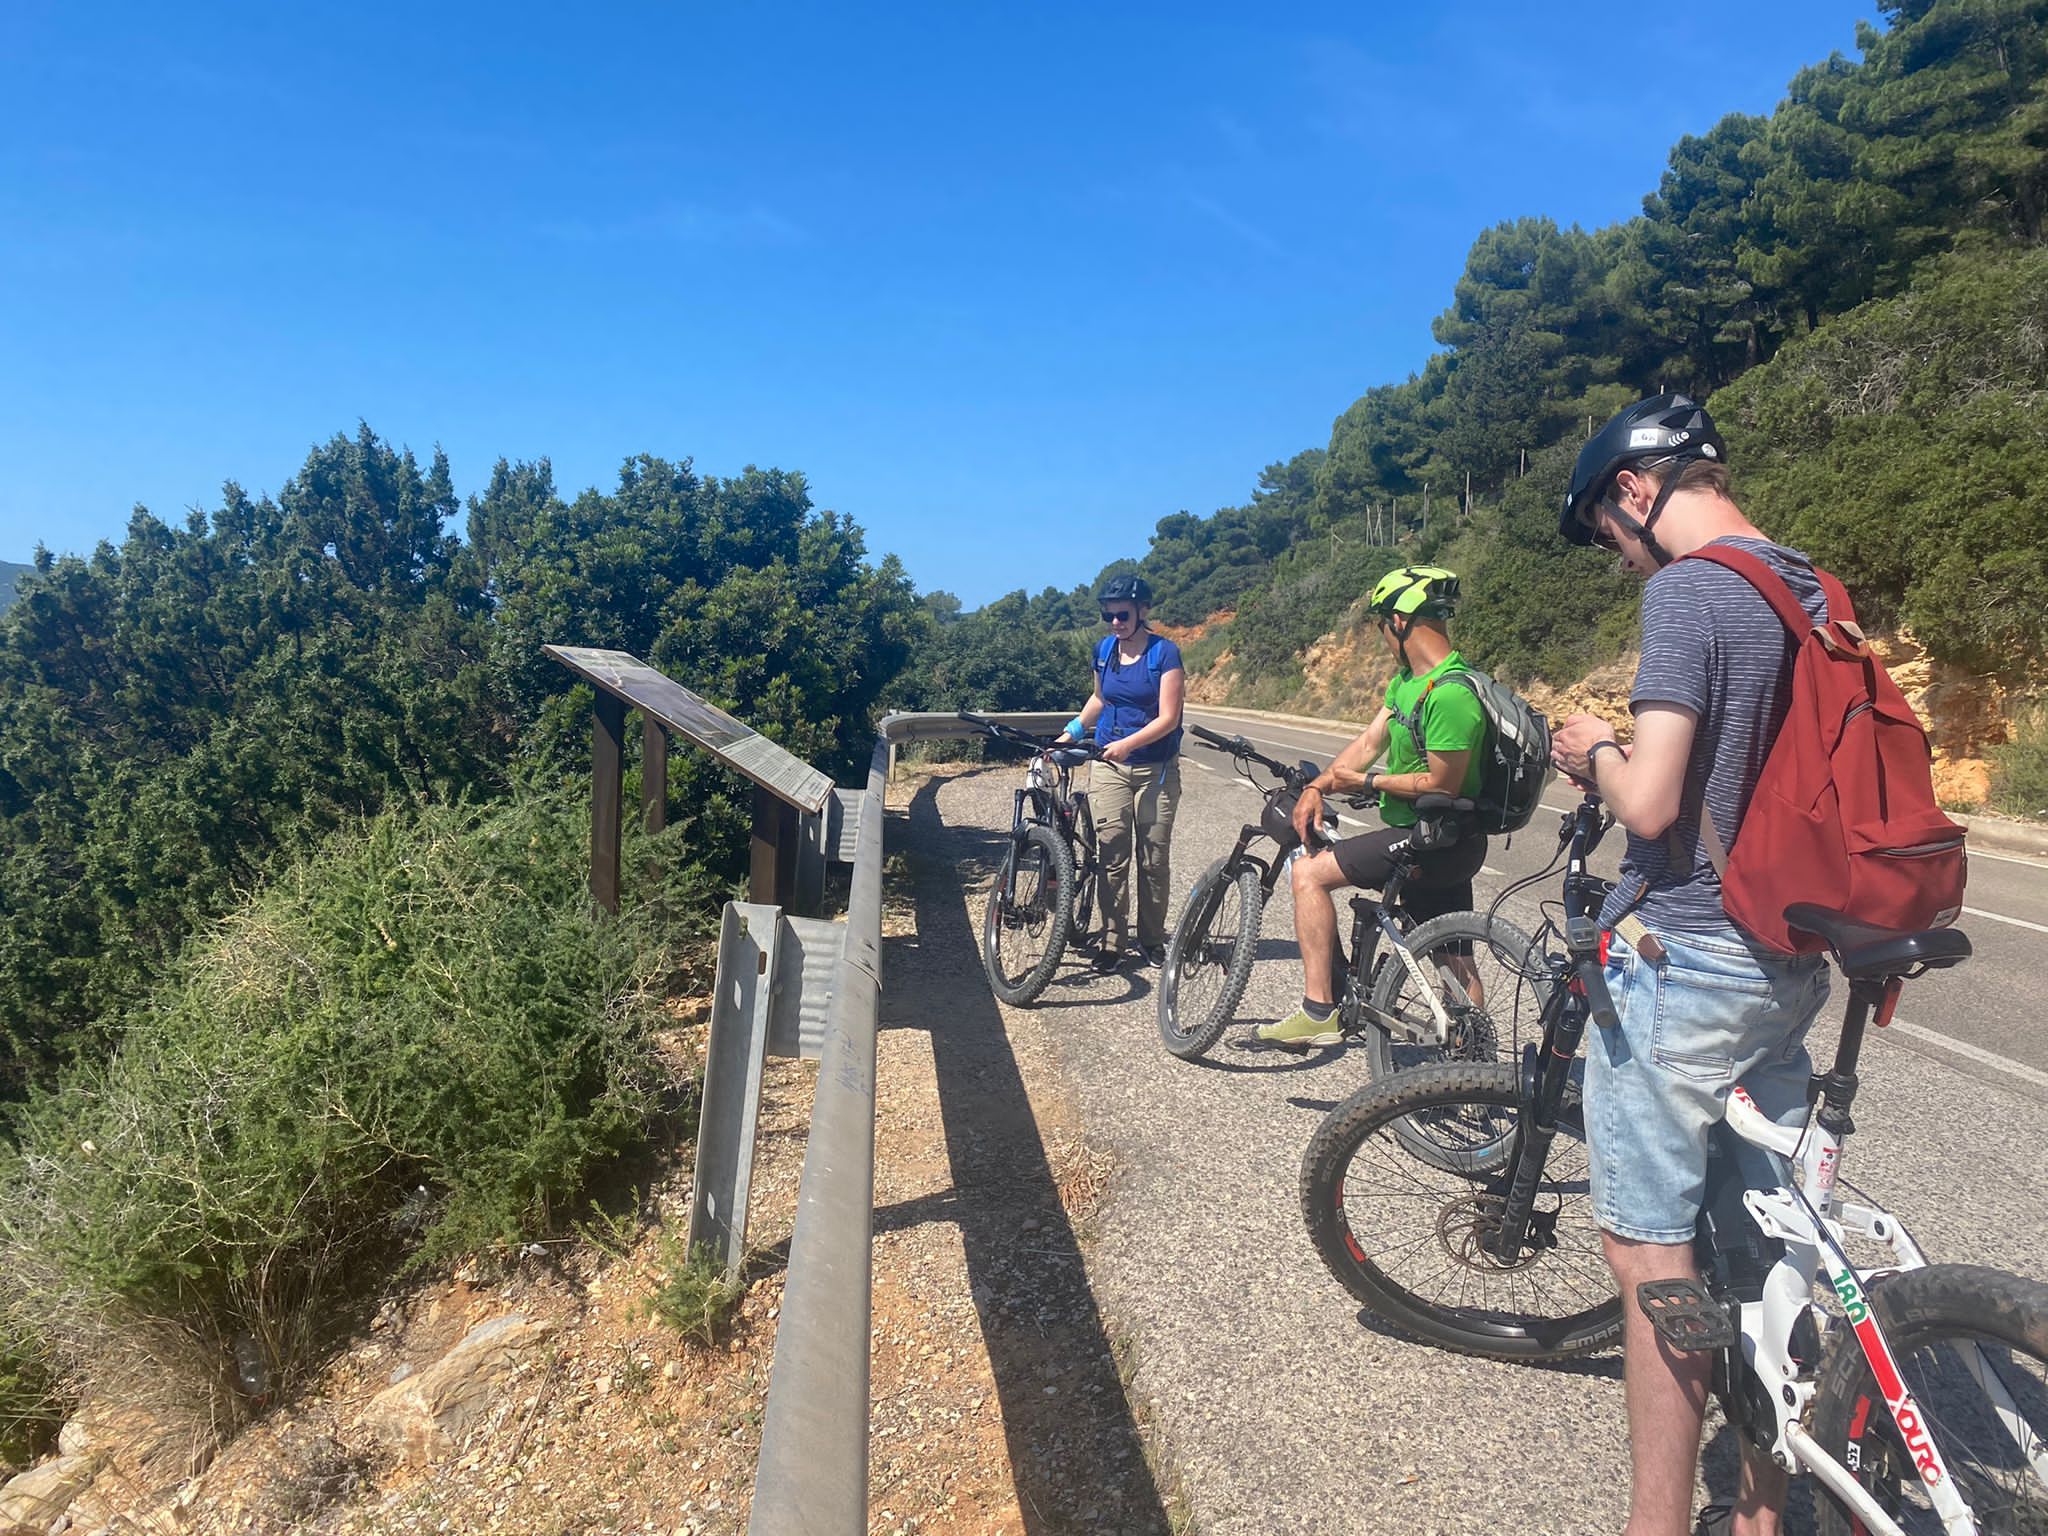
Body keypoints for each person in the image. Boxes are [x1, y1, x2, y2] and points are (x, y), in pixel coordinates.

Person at [1549, 394, 1834, 1536]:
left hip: (1686, 948)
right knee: (1769, 1243)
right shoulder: (1810, 587)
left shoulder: (1687, 590)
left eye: (1606, 536)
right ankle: (1763, 1514)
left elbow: (1654, 800)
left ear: (1633, 490)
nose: (1618, 561)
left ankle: (1654, 1528)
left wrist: (1595, 750)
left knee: (1650, 1255)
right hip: (1788, 953)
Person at [1256, 565, 1489, 1048]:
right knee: (1451, 957)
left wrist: (1366, 781)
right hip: (1442, 839)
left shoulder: (1450, 693)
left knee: (1308, 873)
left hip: (1435, 841)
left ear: (1400, 622)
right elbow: (1368, 741)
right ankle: (1473, 1062)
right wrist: (1320, 785)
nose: (1383, 633)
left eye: (1382, 622)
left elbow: (1442, 785)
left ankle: (1319, 1010)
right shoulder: (1409, 681)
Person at [1064, 575, 1185, 969]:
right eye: (1108, 615)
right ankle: (1113, 942)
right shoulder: (1104, 651)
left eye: (1122, 614)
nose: (1114, 622)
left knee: (1152, 858)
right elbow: (1099, 699)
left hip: (1156, 769)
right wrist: (1070, 734)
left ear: (1142, 611)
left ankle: (1151, 938)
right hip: (1109, 767)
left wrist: (1129, 744)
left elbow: (1169, 718)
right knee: (1111, 855)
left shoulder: (1164, 654)